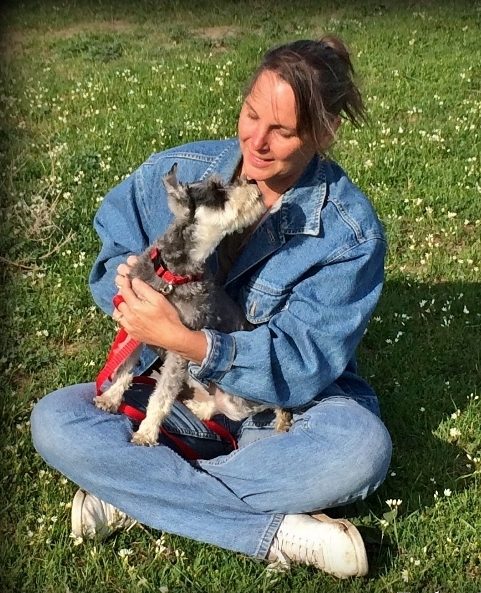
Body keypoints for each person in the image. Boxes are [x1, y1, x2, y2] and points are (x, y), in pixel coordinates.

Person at [31, 35, 392, 579]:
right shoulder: (181, 170)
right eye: (251, 115)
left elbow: (300, 364)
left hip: (277, 412)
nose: (257, 142)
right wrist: (127, 288)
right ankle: (277, 529)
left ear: (325, 133)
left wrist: (189, 341)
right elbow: (112, 253)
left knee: (359, 451)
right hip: (174, 392)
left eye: (283, 131)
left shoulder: (349, 235)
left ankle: (137, 495)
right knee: (55, 421)